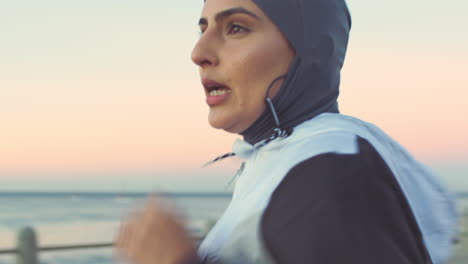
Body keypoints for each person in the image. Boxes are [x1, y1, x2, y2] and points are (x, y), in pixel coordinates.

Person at [115, 0, 458, 263]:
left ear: (310, 52)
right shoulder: (296, 155)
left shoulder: (326, 175)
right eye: (202, 29)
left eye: (236, 28)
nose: (198, 53)